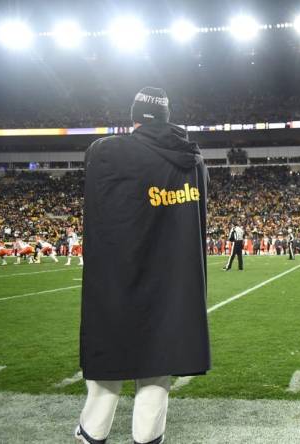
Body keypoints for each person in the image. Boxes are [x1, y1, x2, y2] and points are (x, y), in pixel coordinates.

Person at [78, 87, 211, 444]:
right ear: (168, 117)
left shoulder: (110, 153)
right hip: (172, 279)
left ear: (133, 116)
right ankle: (148, 438)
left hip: (121, 272)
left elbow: (96, 161)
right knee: (157, 362)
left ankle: (93, 431)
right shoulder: (193, 159)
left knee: (109, 351)